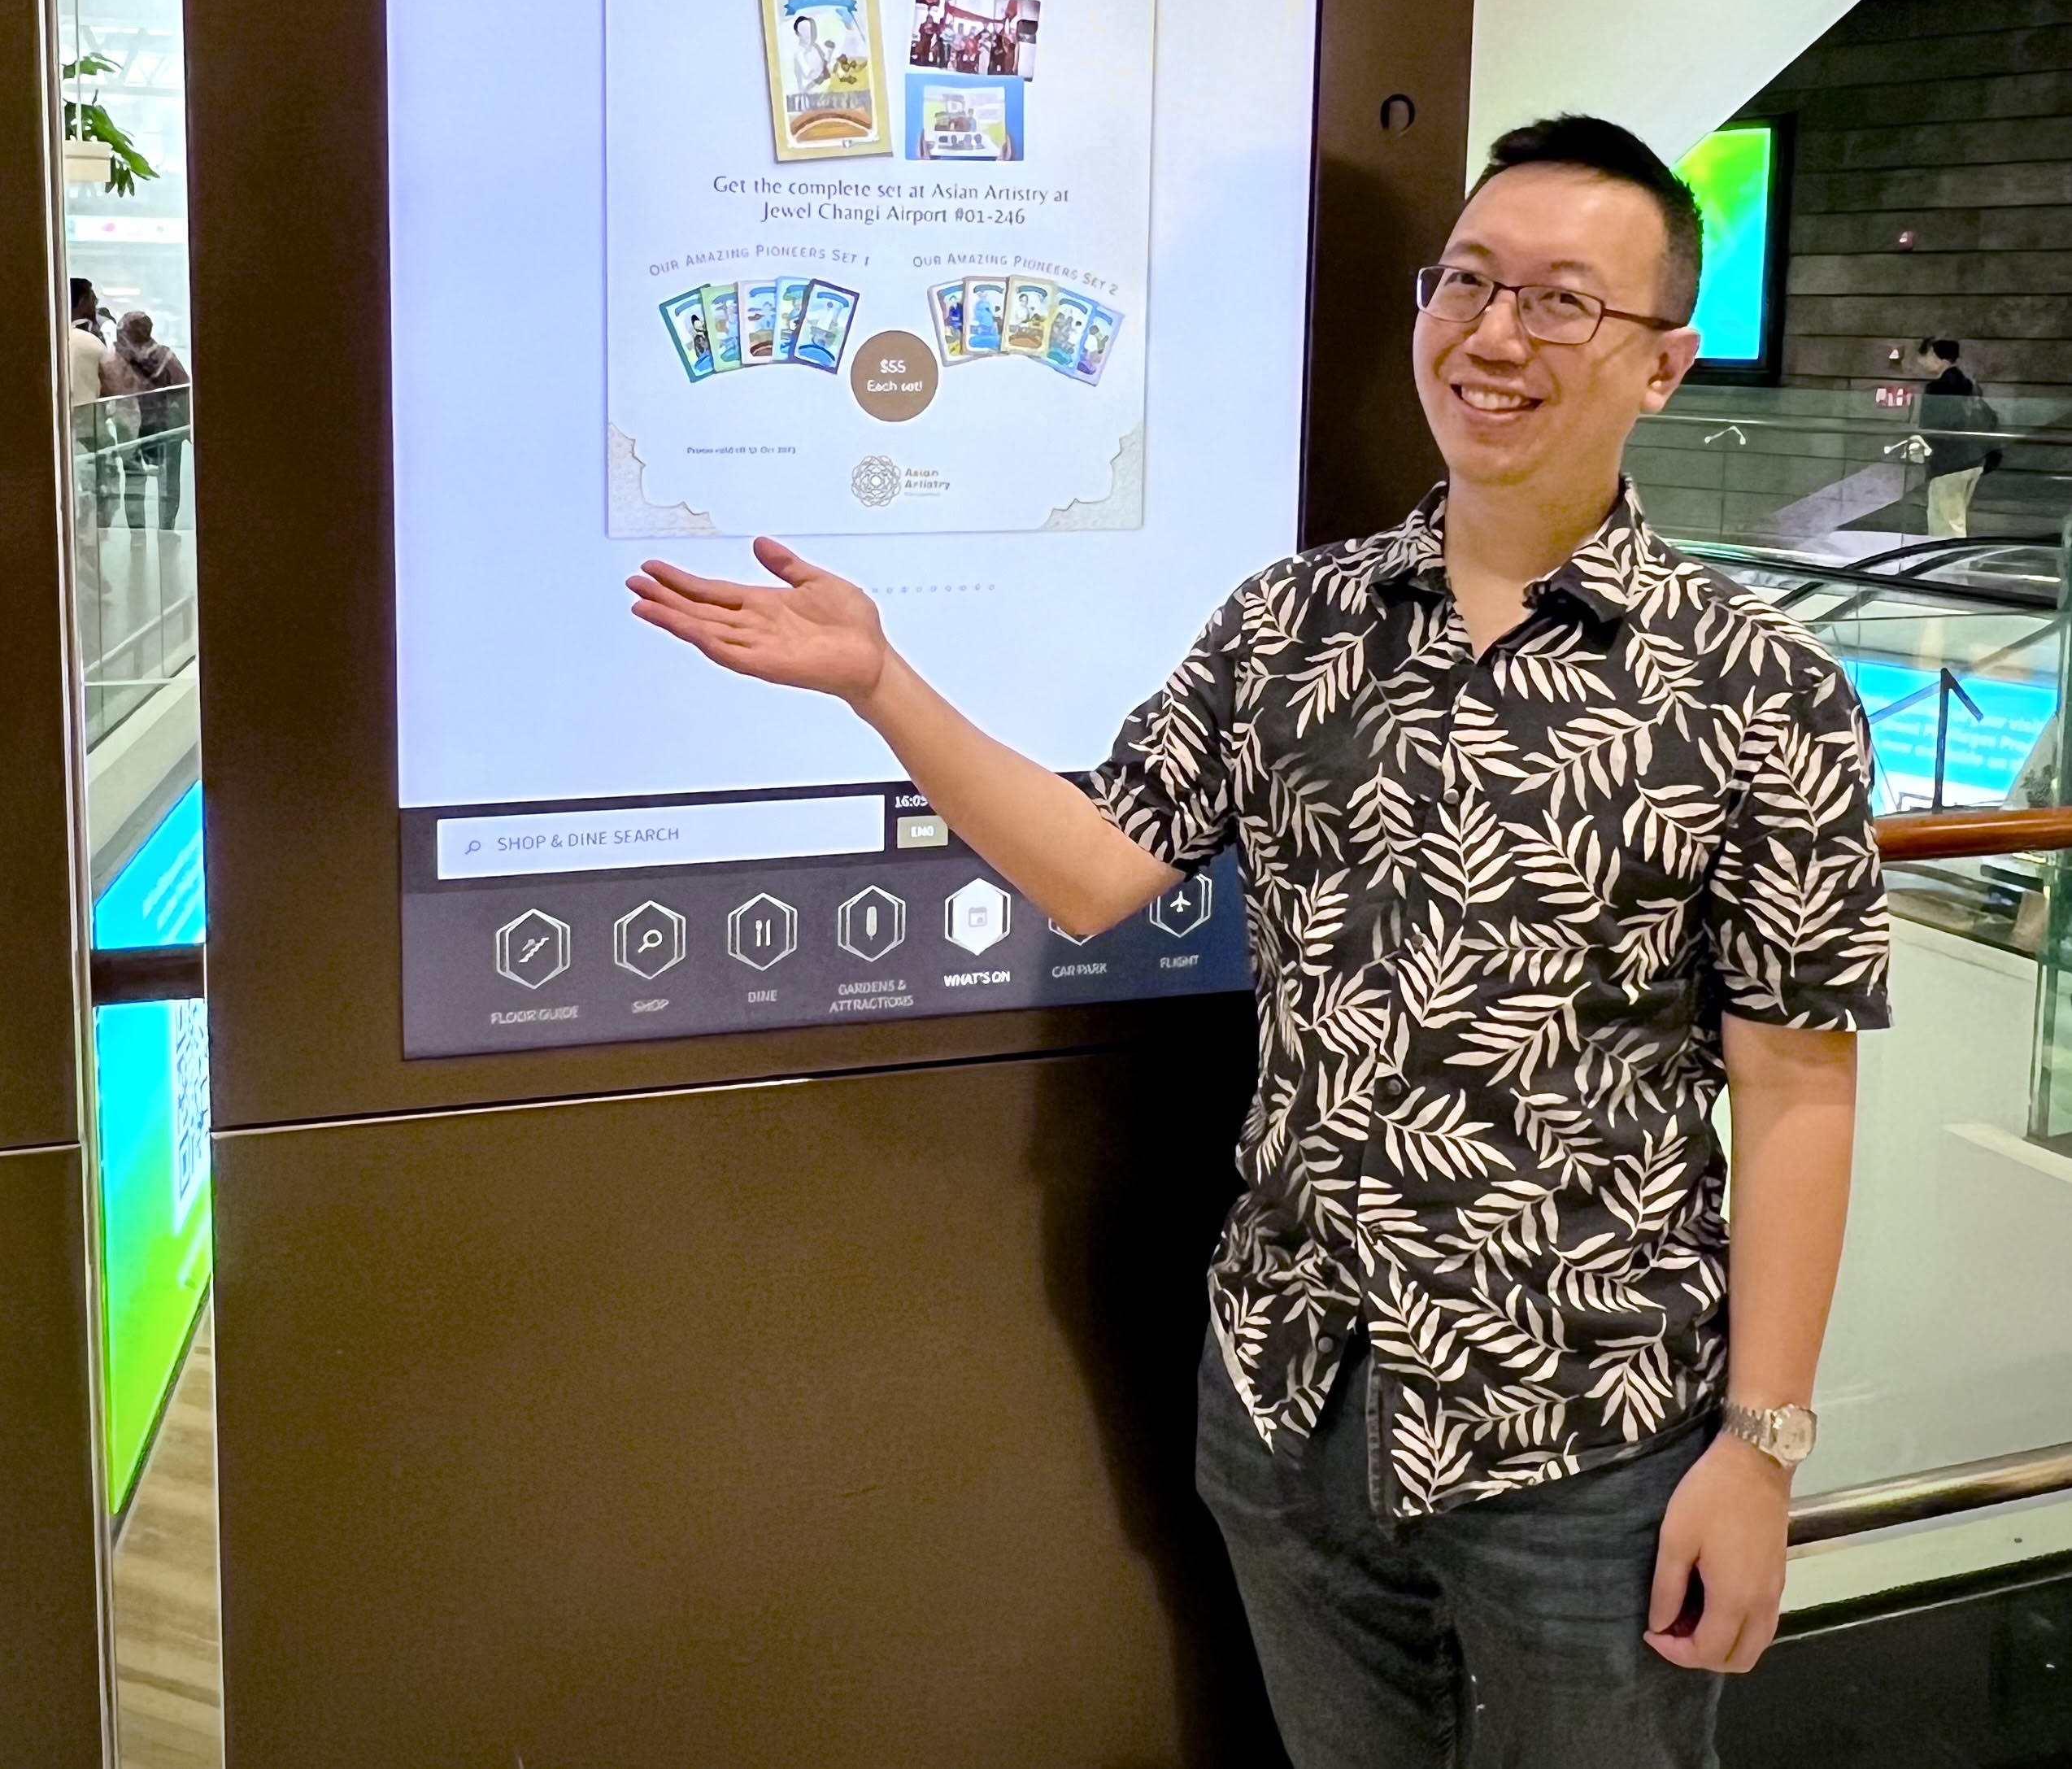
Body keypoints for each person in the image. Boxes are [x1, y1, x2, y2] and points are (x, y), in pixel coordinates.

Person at [629, 112, 1890, 1768]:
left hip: (1590, 1425)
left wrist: (1761, 1445)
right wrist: (882, 682)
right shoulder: (1292, 622)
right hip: (1294, 1393)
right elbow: (1091, 866)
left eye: (1562, 301)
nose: (1494, 332)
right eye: (1465, 282)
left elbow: (1793, 1087)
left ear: (1661, 364)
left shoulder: (1757, 685)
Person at [99, 310, 191, 533]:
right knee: (167, 485)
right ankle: (165, 530)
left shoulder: (117, 359)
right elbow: (183, 389)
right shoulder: (164, 356)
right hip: (165, 428)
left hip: (134, 427)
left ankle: (137, 533)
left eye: (123, 331)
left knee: (135, 481)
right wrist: (190, 426)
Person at [1914, 338, 1996, 538]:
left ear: (1938, 357)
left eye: (1927, 355)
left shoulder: (1939, 388)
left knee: (1944, 519)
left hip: (1949, 462)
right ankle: (1951, 562)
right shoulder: (1968, 384)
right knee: (1955, 517)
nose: (1922, 360)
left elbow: (1935, 427)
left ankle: (1949, 564)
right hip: (1973, 459)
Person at [67, 277, 119, 530]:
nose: (95, 301)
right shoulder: (90, 341)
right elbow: (114, 383)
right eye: (90, 296)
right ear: (81, 300)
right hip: (89, 420)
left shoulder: (50, 339)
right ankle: (99, 523)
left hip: (65, 423)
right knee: (104, 469)